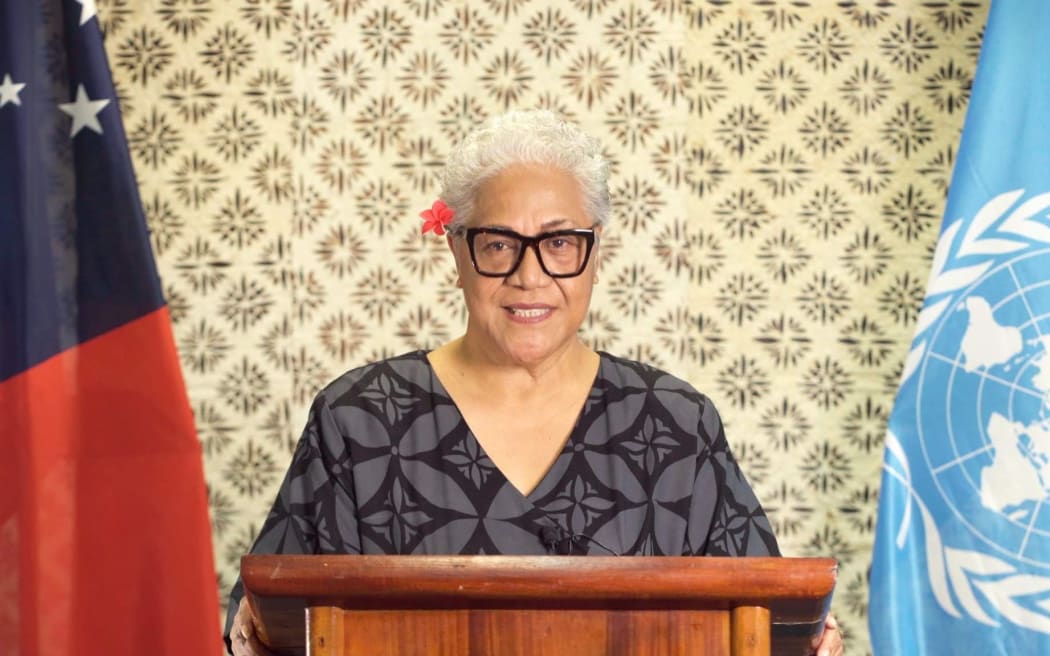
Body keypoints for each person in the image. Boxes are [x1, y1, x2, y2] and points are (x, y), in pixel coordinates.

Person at [225, 110, 843, 656]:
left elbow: (765, 617)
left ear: (594, 255)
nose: (530, 275)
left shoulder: (677, 424)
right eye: (499, 244)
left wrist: (809, 640)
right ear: (458, 254)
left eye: (559, 243)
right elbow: (265, 620)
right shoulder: (358, 420)